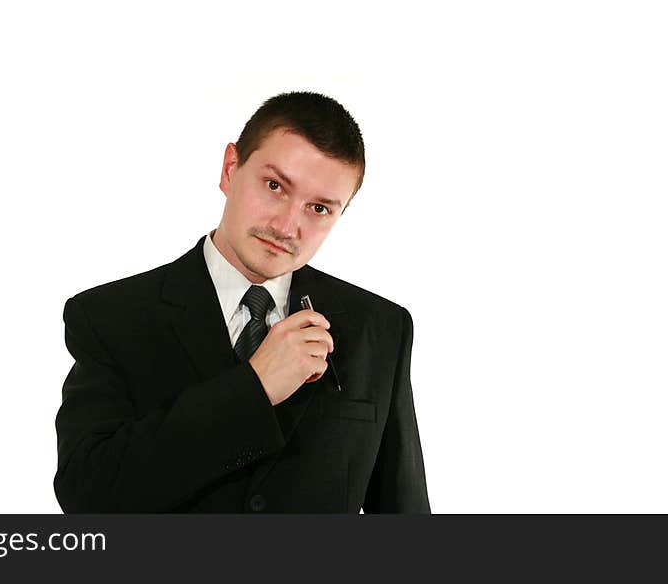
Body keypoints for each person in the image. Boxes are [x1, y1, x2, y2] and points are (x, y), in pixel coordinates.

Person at [53, 91, 430, 513]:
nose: (288, 226)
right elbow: (87, 495)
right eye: (275, 186)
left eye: (319, 208)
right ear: (230, 169)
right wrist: (253, 390)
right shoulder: (111, 317)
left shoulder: (380, 327)